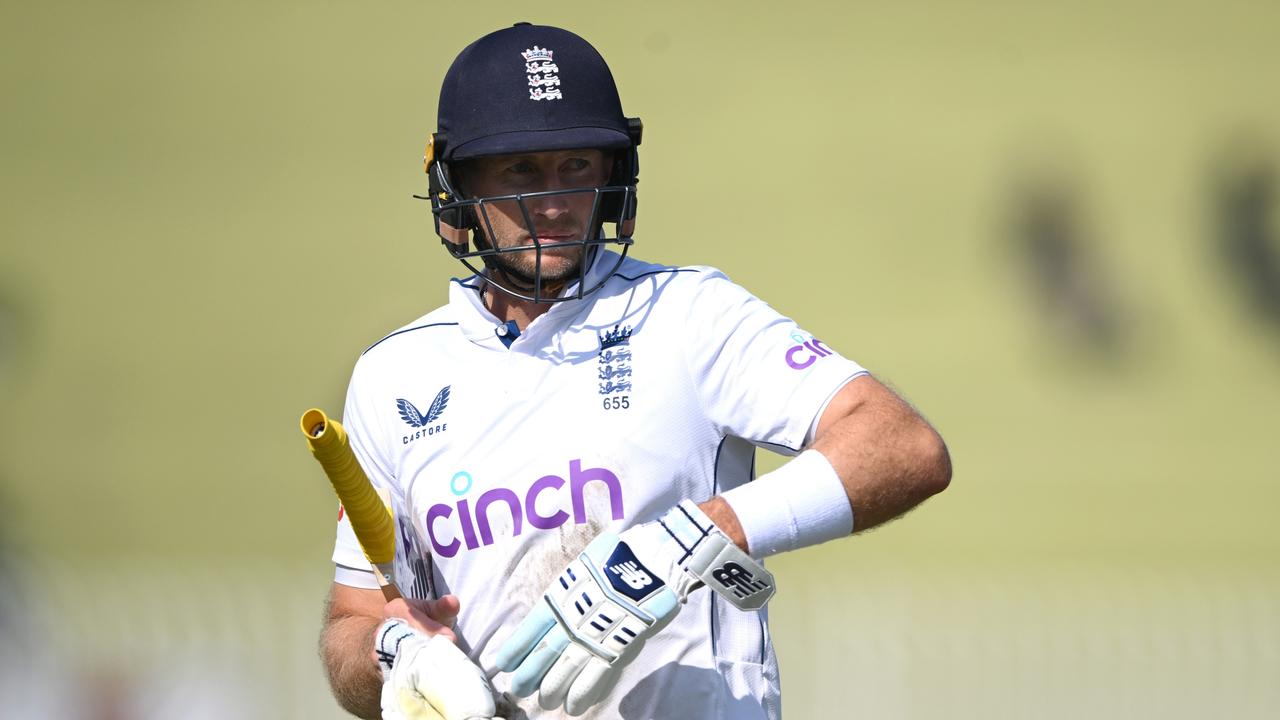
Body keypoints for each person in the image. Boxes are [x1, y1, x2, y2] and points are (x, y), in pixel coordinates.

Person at [319, 22, 951, 720]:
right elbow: (353, 622)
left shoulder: (690, 313)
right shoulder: (392, 377)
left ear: (612, 177)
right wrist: (398, 654)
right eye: (521, 171)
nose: (554, 203)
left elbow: (904, 446)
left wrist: (689, 541)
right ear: (456, 188)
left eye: (578, 167)